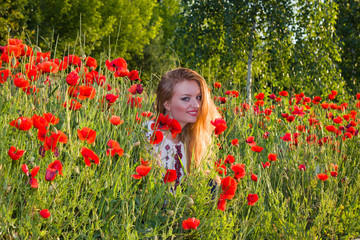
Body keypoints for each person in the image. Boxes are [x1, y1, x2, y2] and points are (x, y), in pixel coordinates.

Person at [144, 68, 221, 188]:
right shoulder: (148, 133)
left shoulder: (191, 139)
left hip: (181, 205)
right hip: (152, 205)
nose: (196, 105)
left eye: (199, 97)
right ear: (167, 103)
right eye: (186, 98)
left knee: (213, 182)